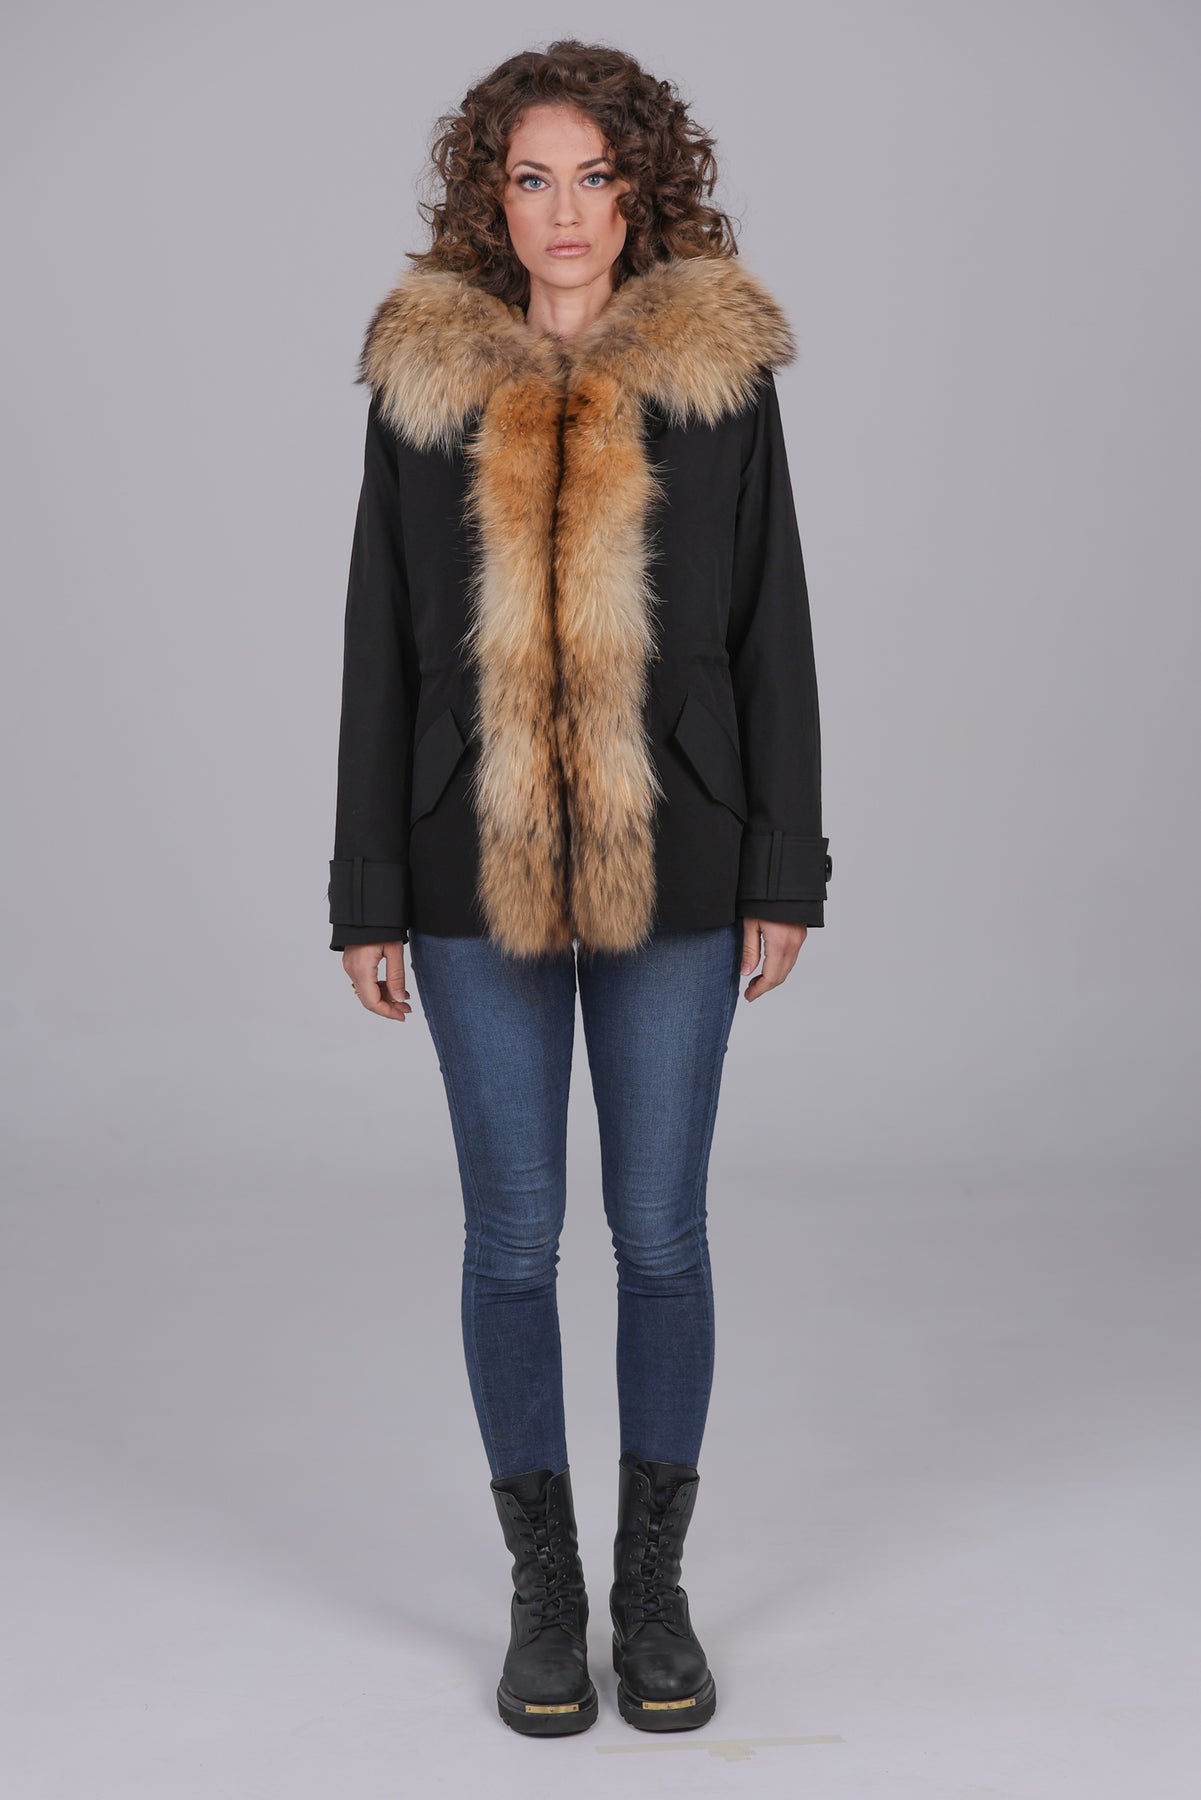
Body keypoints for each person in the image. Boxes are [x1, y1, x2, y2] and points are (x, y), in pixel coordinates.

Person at [327, 39, 832, 1738]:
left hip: (676, 855)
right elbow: (377, 647)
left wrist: (781, 866)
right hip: (462, 863)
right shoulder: (421, 381)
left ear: (638, 193)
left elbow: (770, 631)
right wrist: (366, 890)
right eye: (530, 177)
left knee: (662, 1234)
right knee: (511, 1237)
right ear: (493, 197)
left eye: (592, 177)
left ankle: (651, 1588)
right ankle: (544, 1593)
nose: (562, 211)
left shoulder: (717, 374)